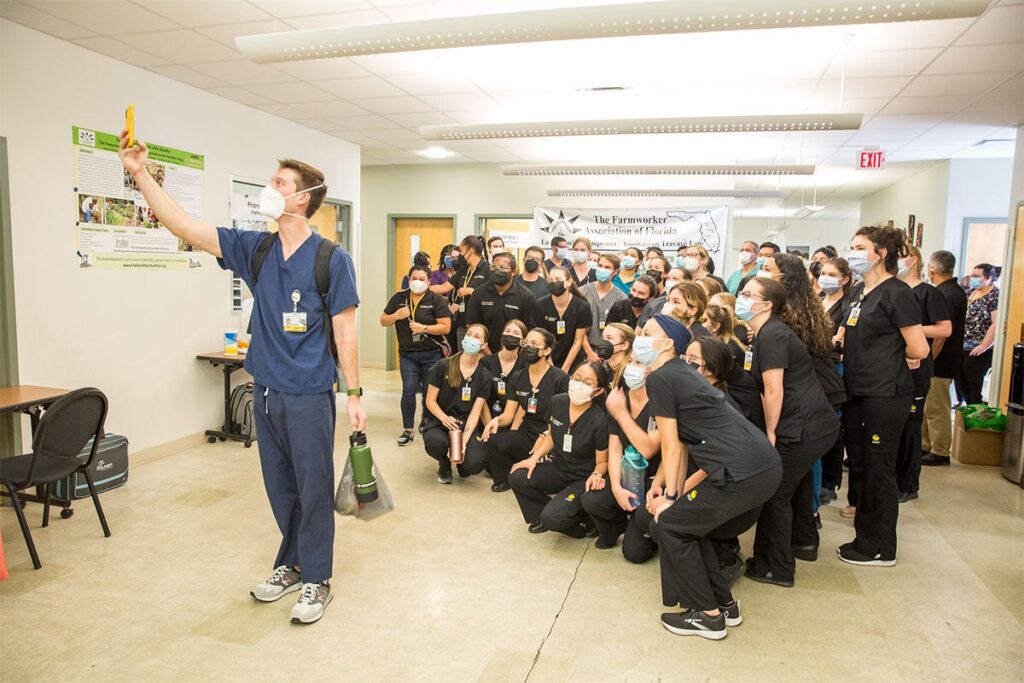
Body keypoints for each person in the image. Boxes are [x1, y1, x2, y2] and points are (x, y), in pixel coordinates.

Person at [120, 135, 365, 625]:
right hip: (268, 393)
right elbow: (185, 226)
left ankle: (317, 578)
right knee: (281, 489)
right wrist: (141, 173)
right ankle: (291, 565)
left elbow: (346, 332)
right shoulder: (256, 248)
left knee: (314, 488)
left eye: (278, 183)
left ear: (302, 199)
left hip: (310, 395)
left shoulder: (330, 260)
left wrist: (354, 395)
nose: (268, 189)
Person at [642, 314, 782, 639]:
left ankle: (707, 616)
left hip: (740, 472)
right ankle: (724, 605)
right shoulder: (680, 374)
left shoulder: (662, 377)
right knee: (690, 525)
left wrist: (672, 499)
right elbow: (683, 446)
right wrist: (668, 492)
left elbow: (671, 446)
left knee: (673, 525)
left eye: (647, 333)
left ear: (666, 343)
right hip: (762, 467)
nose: (640, 337)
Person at [737, 277, 840, 586]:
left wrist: (770, 432)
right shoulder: (765, 332)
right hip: (808, 424)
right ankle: (799, 545)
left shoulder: (773, 335)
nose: (741, 298)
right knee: (792, 489)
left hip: (802, 427)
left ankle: (778, 568)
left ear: (766, 304)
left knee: (776, 495)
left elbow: (774, 390)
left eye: (748, 294)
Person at [838, 226, 929, 566]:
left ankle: (881, 548)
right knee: (861, 466)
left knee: (879, 468)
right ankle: (864, 539)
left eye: (860, 247)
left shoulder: (897, 292)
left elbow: (918, 347)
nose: (853, 252)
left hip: (885, 393)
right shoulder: (862, 291)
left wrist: (892, 357)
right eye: (852, 245)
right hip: (859, 389)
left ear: (881, 253)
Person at [509, 362, 610, 537]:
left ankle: (581, 524)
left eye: (587, 383)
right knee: (518, 476)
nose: (579, 385)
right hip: (559, 467)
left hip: (582, 477)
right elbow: (551, 435)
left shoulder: (599, 420)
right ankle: (542, 516)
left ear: (599, 391)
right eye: (576, 378)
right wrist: (534, 458)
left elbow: (603, 461)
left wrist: (596, 475)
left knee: (553, 518)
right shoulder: (558, 401)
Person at [582, 357, 661, 550]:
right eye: (631, 361)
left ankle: (641, 525)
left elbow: (648, 449)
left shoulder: (660, 401)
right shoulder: (619, 397)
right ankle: (617, 526)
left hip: (654, 479)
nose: (632, 367)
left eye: (640, 363)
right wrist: (616, 487)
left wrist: (621, 413)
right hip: (626, 472)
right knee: (591, 499)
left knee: (634, 552)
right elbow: (615, 446)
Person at [894, 246, 952, 501]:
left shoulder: (929, 294)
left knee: (910, 427)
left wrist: (911, 330)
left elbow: (944, 329)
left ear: (912, 260)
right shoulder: (894, 292)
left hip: (917, 369)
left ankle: (908, 485)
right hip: (894, 367)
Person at [481, 328, 569, 492]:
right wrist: (496, 421)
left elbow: (564, 418)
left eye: (534, 344)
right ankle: (505, 478)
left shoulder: (560, 379)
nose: (528, 347)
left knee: (544, 477)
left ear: (547, 350)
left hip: (551, 436)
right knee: (491, 440)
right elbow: (508, 415)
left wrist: (545, 437)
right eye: (526, 343)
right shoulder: (518, 377)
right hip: (527, 432)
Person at [380, 264, 453, 446]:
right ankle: (408, 429)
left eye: (422, 279)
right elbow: (383, 320)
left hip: (431, 354)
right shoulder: (399, 298)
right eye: (414, 279)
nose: (418, 282)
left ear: (429, 282)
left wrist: (425, 328)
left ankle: (427, 423)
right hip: (407, 354)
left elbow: (446, 326)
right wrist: (396, 315)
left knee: (429, 391)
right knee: (409, 389)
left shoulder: (435, 300)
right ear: (408, 279)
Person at [421, 325, 492, 484]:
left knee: (474, 464)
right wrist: (444, 418)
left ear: (484, 345)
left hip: (465, 424)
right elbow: (430, 401)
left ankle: (462, 463)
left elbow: (475, 413)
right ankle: (444, 463)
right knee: (436, 443)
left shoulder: (484, 375)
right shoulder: (443, 365)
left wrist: (463, 442)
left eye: (476, 336)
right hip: (440, 422)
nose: (470, 338)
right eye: (469, 334)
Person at [921, 251, 968, 466]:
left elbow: (941, 334)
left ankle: (940, 450)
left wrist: (929, 359)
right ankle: (927, 444)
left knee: (936, 407)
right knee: (931, 406)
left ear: (932, 270)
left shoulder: (945, 295)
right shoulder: (953, 291)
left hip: (941, 362)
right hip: (944, 360)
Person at [818, 257, 853, 502]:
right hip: (817, 366)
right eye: (823, 272)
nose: (825, 277)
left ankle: (830, 482)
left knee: (833, 426)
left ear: (844, 279)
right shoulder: (820, 300)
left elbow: (842, 340)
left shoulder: (847, 306)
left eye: (831, 273)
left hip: (835, 367)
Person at [465, 252, 537, 353]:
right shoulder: (479, 292)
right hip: (483, 351)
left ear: (514, 272)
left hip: (515, 354)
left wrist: (513, 357)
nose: (498, 270)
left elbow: (530, 331)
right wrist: (489, 356)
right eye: (494, 267)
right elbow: (472, 325)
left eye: (503, 267)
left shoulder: (527, 297)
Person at [955, 263, 1000, 405]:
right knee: (961, 381)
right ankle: (968, 411)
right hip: (963, 345)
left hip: (980, 348)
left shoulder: (994, 295)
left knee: (974, 384)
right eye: (972, 275)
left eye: (976, 276)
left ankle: (976, 415)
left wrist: (984, 345)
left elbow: (995, 323)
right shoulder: (969, 292)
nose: (972, 279)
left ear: (988, 278)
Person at [532, 267, 592, 372]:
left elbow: (578, 341)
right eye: (550, 280)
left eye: (558, 279)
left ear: (569, 282)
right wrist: (551, 368)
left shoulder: (582, 306)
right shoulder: (540, 305)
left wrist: (565, 369)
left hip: (573, 360)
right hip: (546, 357)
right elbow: (542, 339)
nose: (554, 282)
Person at [479, 320, 529, 422]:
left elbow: (523, 404)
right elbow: (481, 399)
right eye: (507, 331)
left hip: (514, 419)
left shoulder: (526, 365)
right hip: (486, 418)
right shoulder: (486, 362)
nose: (510, 335)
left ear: (523, 341)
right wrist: (488, 426)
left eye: (516, 333)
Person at [581, 253, 627, 362]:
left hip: (611, 352)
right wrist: (589, 352)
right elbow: (577, 327)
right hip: (584, 349)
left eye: (607, 267)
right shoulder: (582, 291)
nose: (602, 269)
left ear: (615, 271)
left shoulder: (621, 298)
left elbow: (621, 331)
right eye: (600, 266)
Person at [450, 235, 491, 345]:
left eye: (462, 251)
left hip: (480, 325)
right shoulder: (464, 270)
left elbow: (491, 296)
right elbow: (446, 286)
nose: (460, 255)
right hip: (463, 324)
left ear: (471, 250)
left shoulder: (487, 269)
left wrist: (471, 291)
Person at [703, 302, 746, 368]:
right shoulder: (712, 343)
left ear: (716, 327)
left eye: (703, 321)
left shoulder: (728, 350)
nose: (698, 323)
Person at [601, 322, 635, 390]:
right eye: (602, 337)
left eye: (609, 338)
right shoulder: (609, 372)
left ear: (625, 345)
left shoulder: (628, 376)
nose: (603, 341)